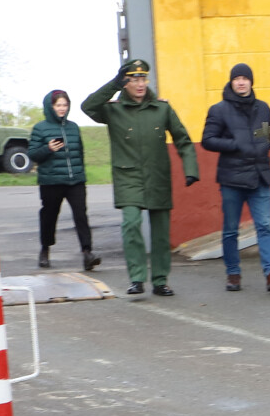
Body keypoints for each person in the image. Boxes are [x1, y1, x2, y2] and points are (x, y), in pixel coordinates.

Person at [83, 59, 199, 297]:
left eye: (143, 79)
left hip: (157, 176)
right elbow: (88, 106)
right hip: (129, 177)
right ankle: (136, 278)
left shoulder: (162, 108)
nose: (140, 84)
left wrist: (190, 169)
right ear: (126, 82)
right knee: (131, 223)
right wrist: (113, 84)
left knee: (160, 232)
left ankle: (160, 281)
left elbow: (183, 139)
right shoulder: (113, 110)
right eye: (134, 79)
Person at [202, 63, 270, 292]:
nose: (241, 82)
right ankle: (233, 274)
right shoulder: (218, 110)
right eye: (237, 78)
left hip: (259, 176)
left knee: (264, 225)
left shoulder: (262, 108)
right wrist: (235, 144)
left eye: (245, 78)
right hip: (232, 179)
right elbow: (208, 140)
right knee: (231, 229)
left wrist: (266, 144)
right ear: (231, 82)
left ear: (251, 82)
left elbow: (265, 134)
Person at [28, 89, 100, 272]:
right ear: (50, 106)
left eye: (65, 105)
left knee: (81, 215)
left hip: (75, 181)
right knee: (49, 216)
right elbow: (33, 154)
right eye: (58, 105)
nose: (62, 108)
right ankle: (45, 250)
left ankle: (87, 253)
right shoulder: (40, 128)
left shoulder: (73, 127)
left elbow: (80, 152)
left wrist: (81, 174)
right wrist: (48, 148)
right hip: (51, 182)